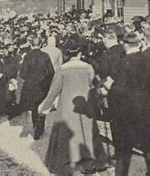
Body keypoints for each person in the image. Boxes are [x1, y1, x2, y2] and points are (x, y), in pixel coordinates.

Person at [37, 42, 108, 174]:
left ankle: (65, 166)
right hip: (85, 106)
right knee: (87, 133)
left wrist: (43, 106)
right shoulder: (88, 67)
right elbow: (94, 89)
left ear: (67, 54)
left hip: (66, 108)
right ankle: (89, 164)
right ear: (80, 53)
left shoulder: (62, 69)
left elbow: (53, 91)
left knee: (65, 137)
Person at [102, 32, 150, 176]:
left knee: (123, 154)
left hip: (129, 115)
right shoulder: (148, 60)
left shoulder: (124, 63)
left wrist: (108, 86)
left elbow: (121, 90)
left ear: (125, 44)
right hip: (149, 113)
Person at [19, 37, 55, 139]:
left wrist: (30, 78)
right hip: (43, 86)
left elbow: (22, 74)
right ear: (41, 44)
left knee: (34, 107)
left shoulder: (27, 57)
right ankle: (40, 127)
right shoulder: (45, 56)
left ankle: (35, 126)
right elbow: (51, 72)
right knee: (43, 107)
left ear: (31, 44)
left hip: (30, 86)